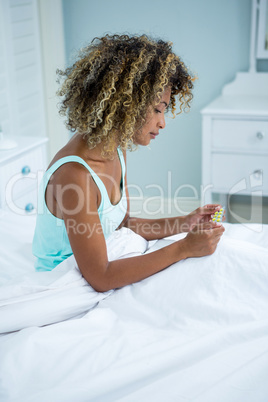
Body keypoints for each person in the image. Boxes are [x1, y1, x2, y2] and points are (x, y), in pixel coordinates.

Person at [32, 34, 225, 292]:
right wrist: (183, 248)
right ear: (127, 105)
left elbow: (122, 225)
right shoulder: (75, 175)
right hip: (61, 281)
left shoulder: (116, 148)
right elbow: (101, 277)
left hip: (99, 264)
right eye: (158, 109)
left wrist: (184, 222)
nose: (162, 122)